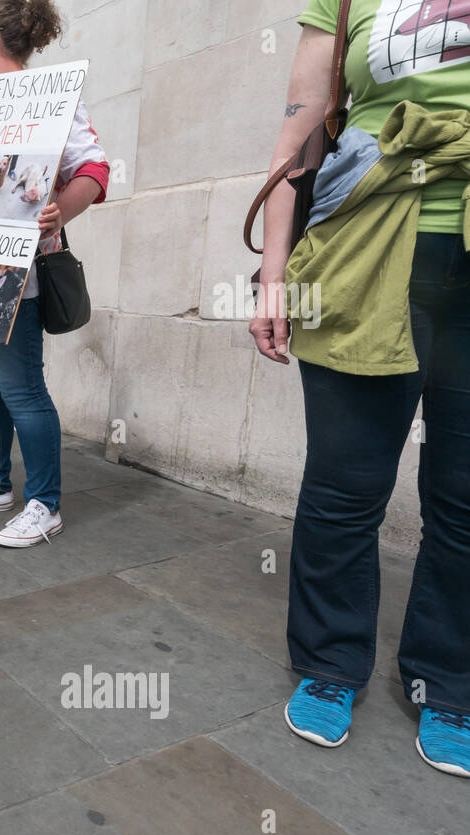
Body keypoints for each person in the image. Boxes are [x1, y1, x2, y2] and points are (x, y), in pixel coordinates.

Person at [254, 0, 470, 776]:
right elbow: (299, 133)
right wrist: (273, 274)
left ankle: (449, 677)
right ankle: (330, 661)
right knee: (345, 484)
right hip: (366, 250)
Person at [0, 0, 108, 548]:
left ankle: (45, 504)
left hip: (16, 277)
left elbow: (95, 169)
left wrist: (62, 210)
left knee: (21, 390)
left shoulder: (51, 97)